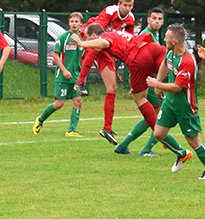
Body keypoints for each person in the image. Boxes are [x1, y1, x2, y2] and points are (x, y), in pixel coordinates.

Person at [71, 24, 186, 155]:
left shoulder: (106, 37)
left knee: (141, 99)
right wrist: (155, 84)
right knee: (174, 63)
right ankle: (195, 55)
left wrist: (81, 43)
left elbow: (103, 42)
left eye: (88, 39)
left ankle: (160, 137)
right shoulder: (116, 33)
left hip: (139, 57)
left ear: (93, 36)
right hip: (151, 48)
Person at [147, 25, 205, 179]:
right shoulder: (171, 52)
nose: (164, 39)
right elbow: (164, 65)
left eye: (166, 37)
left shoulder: (188, 61)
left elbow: (177, 87)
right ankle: (181, 154)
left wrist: (156, 84)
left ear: (174, 41)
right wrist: (159, 84)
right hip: (170, 103)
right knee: (158, 133)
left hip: (185, 106)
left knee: (193, 140)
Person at [74, 0, 136, 143]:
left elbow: (128, 39)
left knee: (112, 88)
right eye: (124, 5)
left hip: (107, 46)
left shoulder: (131, 19)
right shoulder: (110, 12)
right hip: (91, 34)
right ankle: (80, 81)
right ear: (119, 4)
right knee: (97, 47)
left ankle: (107, 128)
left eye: (130, 6)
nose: (127, 8)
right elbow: (96, 34)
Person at [115, 7, 165, 156]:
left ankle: (123, 146)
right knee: (160, 114)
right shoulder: (145, 36)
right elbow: (135, 60)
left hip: (147, 81)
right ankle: (147, 149)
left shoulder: (154, 36)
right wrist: (136, 82)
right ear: (148, 19)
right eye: (154, 18)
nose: (157, 21)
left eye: (160, 19)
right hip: (146, 83)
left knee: (154, 113)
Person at [33, 12, 84, 137]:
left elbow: (82, 58)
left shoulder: (82, 40)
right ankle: (40, 120)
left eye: (76, 21)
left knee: (78, 101)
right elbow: (55, 55)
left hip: (76, 77)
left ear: (81, 24)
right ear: (69, 23)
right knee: (58, 104)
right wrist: (64, 70)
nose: (74, 24)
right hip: (63, 76)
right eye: (72, 21)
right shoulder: (63, 37)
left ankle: (71, 130)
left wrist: (82, 75)